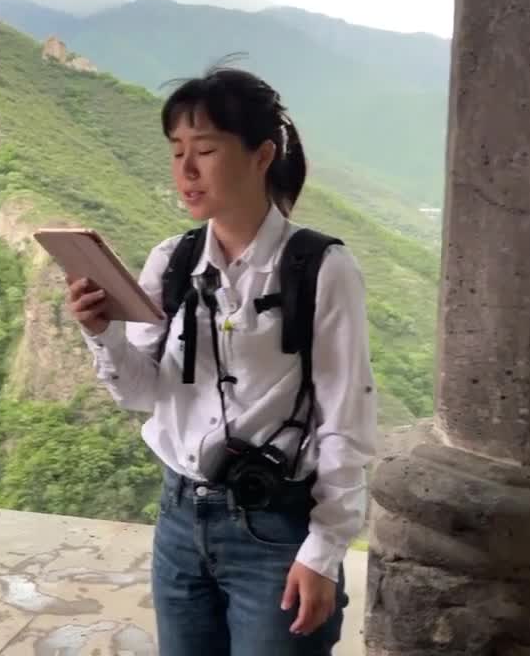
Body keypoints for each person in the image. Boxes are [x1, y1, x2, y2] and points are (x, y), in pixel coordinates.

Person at [66, 65, 379, 656]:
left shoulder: (321, 268)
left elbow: (345, 418)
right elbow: (139, 392)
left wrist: (324, 551)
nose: (186, 170)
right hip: (180, 519)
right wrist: (101, 332)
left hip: (276, 527)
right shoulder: (173, 260)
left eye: (205, 150)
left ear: (262, 156)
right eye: (176, 151)